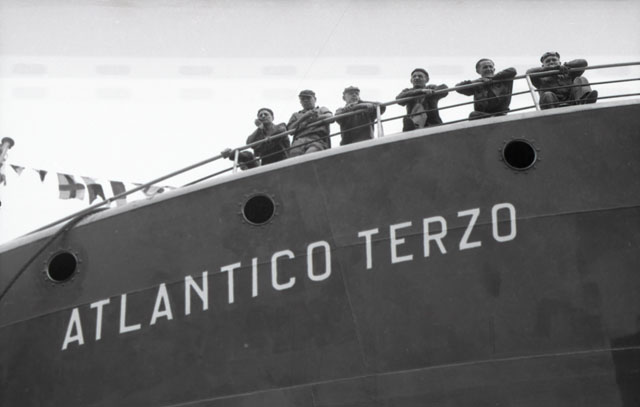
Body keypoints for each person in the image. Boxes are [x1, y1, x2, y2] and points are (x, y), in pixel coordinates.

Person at [526, 52, 598, 110]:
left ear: (559, 63)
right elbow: (528, 72)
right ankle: (552, 115)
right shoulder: (540, 79)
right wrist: (549, 69)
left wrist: (567, 65)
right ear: (543, 66)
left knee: (580, 79)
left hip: (572, 102)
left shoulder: (568, 73)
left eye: (554, 60)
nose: (551, 62)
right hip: (551, 106)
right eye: (548, 61)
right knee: (547, 94)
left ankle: (585, 101)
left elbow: (583, 63)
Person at [287, 90, 333, 157]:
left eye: (308, 98)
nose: (305, 100)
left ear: (315, 99)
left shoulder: (321, 109)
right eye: (303, 99)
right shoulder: (295, 115)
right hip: (299, 141)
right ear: (300, 102)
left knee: (310, 155)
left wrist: (315, 119)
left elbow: (330, 117)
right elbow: (290, 130)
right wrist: (304, 117)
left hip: (316, 139)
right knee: (294, 155)